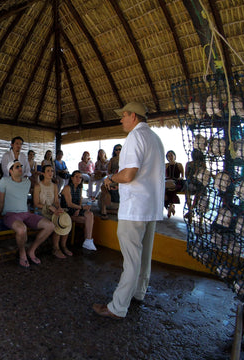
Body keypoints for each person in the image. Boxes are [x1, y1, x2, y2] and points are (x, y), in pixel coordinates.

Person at [93, 102, 164, 319]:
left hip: (135, 208)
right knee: (144, 255)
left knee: (131, 258)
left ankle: (117, 307)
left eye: (123, 116)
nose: (121, 119)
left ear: (133, 116)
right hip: (150, 207)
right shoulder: (155, 138)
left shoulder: (135, 136)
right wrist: (119, 180)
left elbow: (129, 174)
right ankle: (138, 292)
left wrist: (110, 178)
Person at [0, 160, 55, 268]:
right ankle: (22, 253)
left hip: (26, 213)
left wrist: (35, 178)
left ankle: (31, 250)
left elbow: (37, 189)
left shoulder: (27, 182)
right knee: (22, 229)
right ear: (10, 171)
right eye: (17, 167)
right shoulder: (4, 181)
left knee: (50, 226)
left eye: (20, 166)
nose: (20, 168)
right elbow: (1, 201)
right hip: (10, 215)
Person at [33, 165, 72, 258]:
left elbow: (56, 201)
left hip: (52, 210)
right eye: (48, 171)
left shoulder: (54, 186)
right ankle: (56, 248)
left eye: (52, 171)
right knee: (57, 222)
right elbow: (36, 204)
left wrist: (58, 208)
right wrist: (49, 207)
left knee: (65, 218)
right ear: (43, 173)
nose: (51, 173)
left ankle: (63, 245)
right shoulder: (38, 186)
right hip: (41, 211)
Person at [60, 170, 95, 251]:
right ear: (71, 178)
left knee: (89, 215)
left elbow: (79, 202)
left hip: (76, 210)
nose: (78, 179)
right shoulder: (67, 188)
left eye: (80, 177)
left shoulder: (79, 188)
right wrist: (81, 208)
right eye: (76, 177)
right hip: (67, 212)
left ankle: (88, 240)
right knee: (88, 220)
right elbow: (69, 204)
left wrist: (79, 210)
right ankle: (88, 241)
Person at [98, 145, 122, 220]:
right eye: (116, 150)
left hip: (121, 178)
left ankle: (106, 210)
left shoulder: (126, 159)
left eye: (119, 149)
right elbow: (109, 171)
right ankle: (104, 207)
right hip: (114, 177)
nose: (118, 151)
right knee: (103, 186)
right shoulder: (112, 159)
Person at [164, 150, 185, 218]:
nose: (170, 157)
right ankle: (170, 206)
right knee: (165, 188)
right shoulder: (166, 165)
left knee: (171, 187)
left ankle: (170, 206)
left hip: (176, 181)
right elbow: (162, 175)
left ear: (175, 156)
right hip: (167, 181)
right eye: (168, 156)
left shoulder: (179, 165)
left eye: (171, 155)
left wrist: (180, 178)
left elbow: (182, 176)